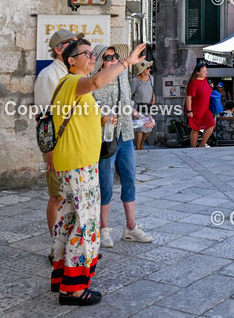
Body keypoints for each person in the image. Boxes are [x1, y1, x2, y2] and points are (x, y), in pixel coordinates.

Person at [48, 39, 147, 306]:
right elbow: (94, 83)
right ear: (71, 60)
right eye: (87, 54)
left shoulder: (72, 85)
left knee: (68, 221)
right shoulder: (73, 82)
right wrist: (126, 63)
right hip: (79, 165)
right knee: (85, 224)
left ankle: (61, 277)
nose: (92, 57)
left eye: (93, 53)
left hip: (75, 163)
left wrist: (101, 120)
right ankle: (74, 288)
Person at [92, 45, 155, 248]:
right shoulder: (94, 81)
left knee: (129, 178)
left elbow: (127, 104)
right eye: (108, 57)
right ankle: (103, 229)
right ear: (101, 60)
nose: (112, 60)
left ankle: (131, 227)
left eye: (115, 56)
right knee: (106, 183)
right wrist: (102, 117)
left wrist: (141, 117)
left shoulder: (121, 77)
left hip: (125, 135)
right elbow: (87, 109)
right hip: (105, 138)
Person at [33, 29, 78, 247]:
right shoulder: (48, 76)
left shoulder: (74, 74)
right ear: (60, 50)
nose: (77, 45)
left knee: (72, 197)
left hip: (75, 147)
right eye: (72, 42)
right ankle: (56, 246)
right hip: (58, 147)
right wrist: (49, 153)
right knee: (57, 196)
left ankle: (72, 244)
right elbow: (43, 120)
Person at [185, 60, 216, 147]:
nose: (206, 73)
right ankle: (193, 147)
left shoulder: (205, 81)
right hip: (196, 109)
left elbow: (207, 93)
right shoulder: (193, 83)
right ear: (198, 73)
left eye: (206, 71)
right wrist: (189, 111)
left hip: (205, 109)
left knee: (211, 125)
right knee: (195, 128)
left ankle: (202, 145)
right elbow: (188, 97)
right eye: (203, 71)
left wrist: (211, 88)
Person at [130, 61, 155, 150]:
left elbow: (152, 89)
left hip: (148, 107)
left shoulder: (151, 78)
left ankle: (142, 144)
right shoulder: (135, 81)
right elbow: (130, 94)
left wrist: (153, 98)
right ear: (142, 70)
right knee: (140, 129)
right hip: (138, 107)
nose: (149, 70)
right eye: (147, 68)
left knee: (148, 129)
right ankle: (138, 147)